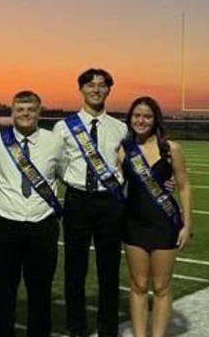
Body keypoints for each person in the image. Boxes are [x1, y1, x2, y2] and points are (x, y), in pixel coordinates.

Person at [53, 68, 128, 337]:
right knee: (75, 270)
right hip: (77, 201)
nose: (96, 89)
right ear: (81, 89)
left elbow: (127, 166)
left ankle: (108, 330)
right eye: (90, 85)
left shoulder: (120, 128)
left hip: (109, 203)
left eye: (102, 85)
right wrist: (76, 184)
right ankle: (77, 330)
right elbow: (58, 165)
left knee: (109, 271)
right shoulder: (63, 127)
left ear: (109, 90)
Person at [0, 91, 64, 337]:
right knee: (4, 291)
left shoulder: (54, 141)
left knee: (40, 291)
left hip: (42, 225)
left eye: (31, 109)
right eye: (20, 109)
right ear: (12, 112)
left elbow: (63, 173)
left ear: (40, 112)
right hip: (5, 225)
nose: (26, 114)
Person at [119, 97, 192, 337]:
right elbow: (117, 187)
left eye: (147, 116)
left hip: (165, 224)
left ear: (155, 119)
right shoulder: (123, 149)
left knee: (161, 287)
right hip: (134, 225)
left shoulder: (171, 149)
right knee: (139, 285)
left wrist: (186, 224)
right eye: (136, 116)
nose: (141, 120)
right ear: (130, 119)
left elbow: (183, 186)